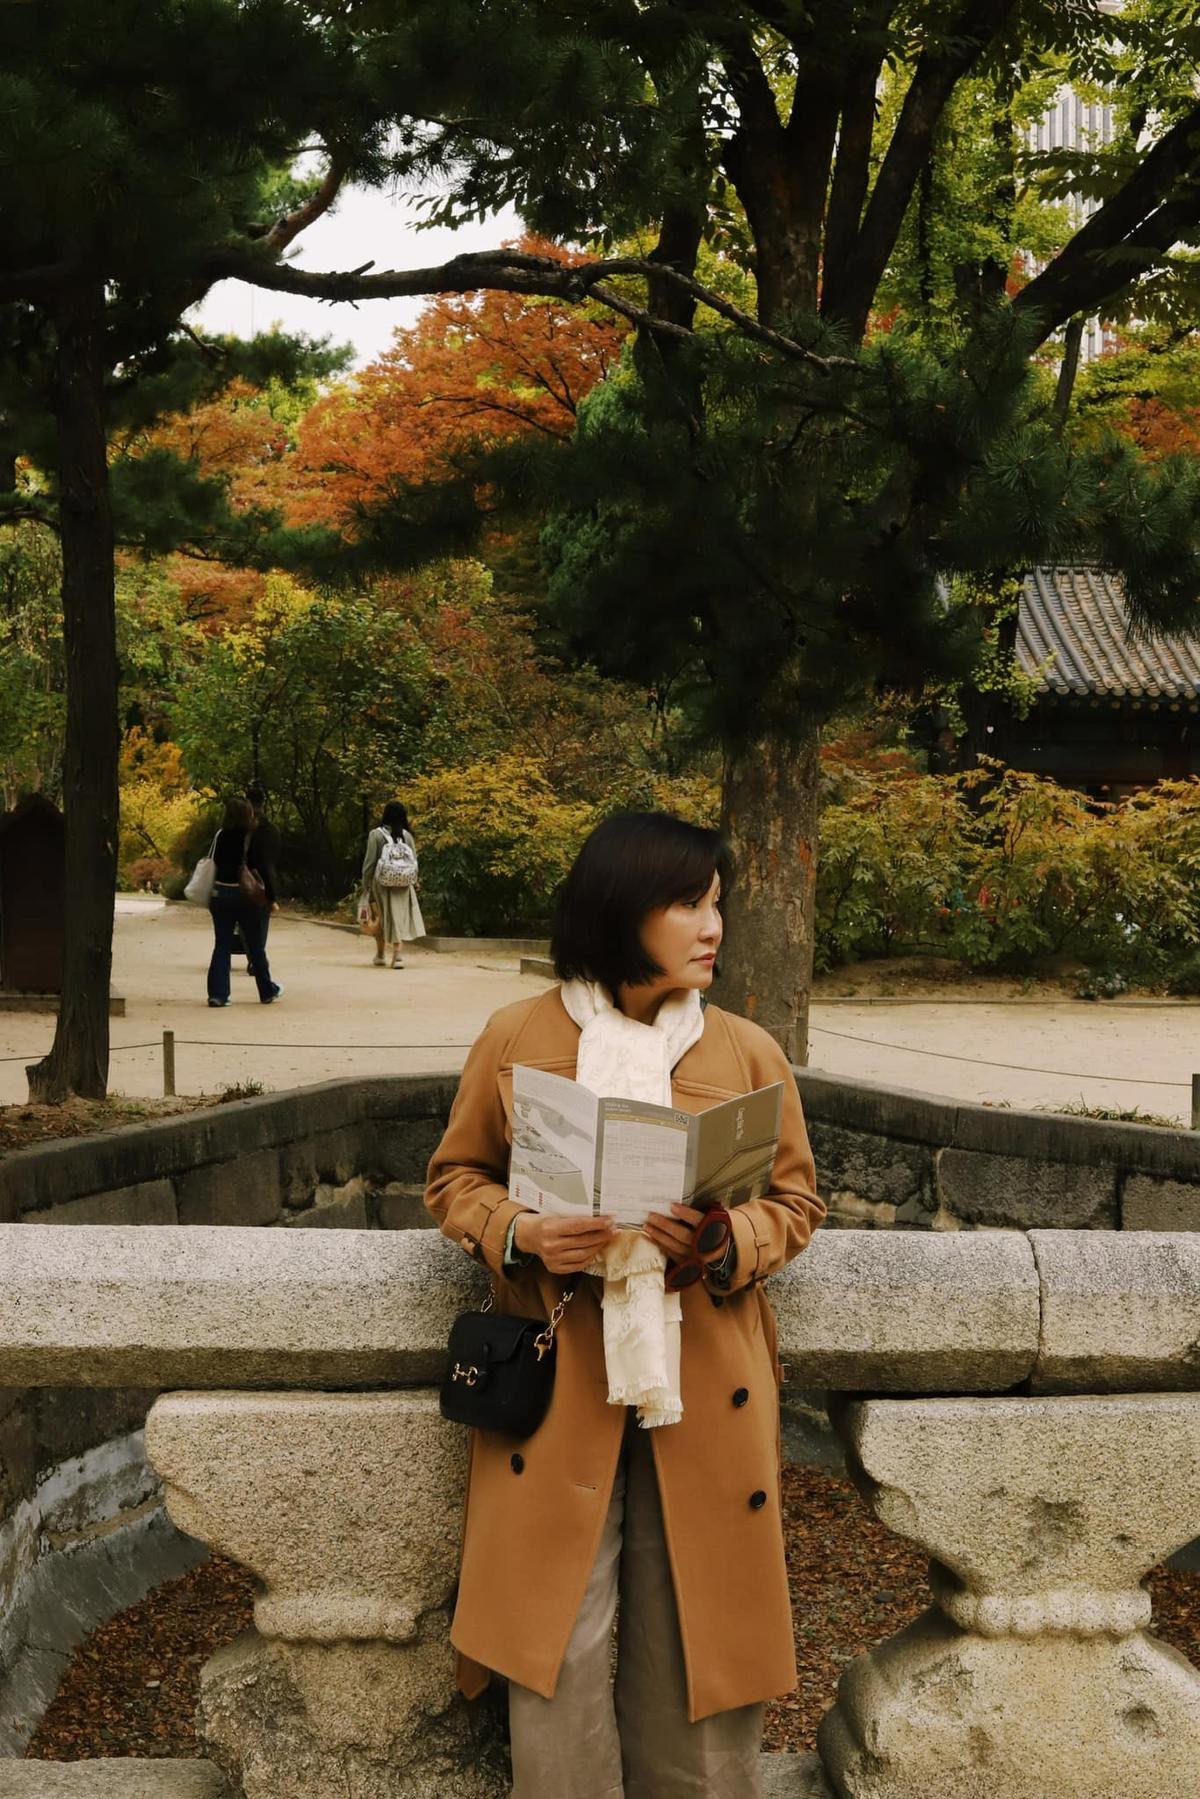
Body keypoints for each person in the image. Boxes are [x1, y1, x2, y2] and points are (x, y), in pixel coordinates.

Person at [425, 811, 825, 1799]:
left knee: (702, 1626)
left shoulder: (744, 1049)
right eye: (688, 902)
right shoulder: (518, 1035)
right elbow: (453, 1176)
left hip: (705, 1371)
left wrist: (727, 1240)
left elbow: (797, 1200)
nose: (713, 925)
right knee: (559, 1627)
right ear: (622, 908)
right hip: (561, 1366)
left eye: (717, 903)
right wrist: (522, 1231)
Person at [205, 796, 282, 1007]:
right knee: (256, 945)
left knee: (221, 943)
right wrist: (271, 897)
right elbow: (262, 868)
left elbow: (212, 862)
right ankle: (266, 990)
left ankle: (218, 994)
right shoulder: (251, 837)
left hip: (220, 894)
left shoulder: (220, 836)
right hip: (246, 896)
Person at [359, 800, 425, 969]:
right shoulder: (407, 836)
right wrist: (415, 882)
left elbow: (369, 863)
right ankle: (398, 955)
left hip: (381, 884)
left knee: (380, 917)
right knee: (398, 917)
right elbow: (414, 862)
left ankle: (381, 955)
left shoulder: (376, 835)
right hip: (404, 884)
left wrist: (366, 884)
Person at [231, 783, 281, 975]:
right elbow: (273, 860)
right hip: (264, 880)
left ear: (248, 801)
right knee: (261, 924)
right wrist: (272, 892)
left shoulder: (242, 828)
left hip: (244, 881)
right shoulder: (271, 829)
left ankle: (253, 957)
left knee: (245, 923)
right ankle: (256, 958)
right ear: (263, 802)